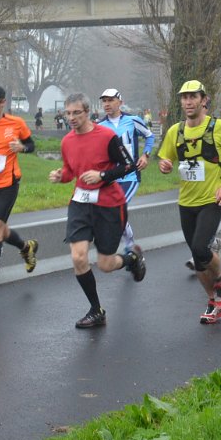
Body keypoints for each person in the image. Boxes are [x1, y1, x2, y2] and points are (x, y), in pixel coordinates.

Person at [49, 93, 146, 328]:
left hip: (109, 205)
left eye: (76, 113)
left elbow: (128, 165)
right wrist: (61, 176)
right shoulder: (67, 141)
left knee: (105, 264)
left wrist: (102, 175)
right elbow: (71, 171)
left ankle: (132, 258)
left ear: (88, 112)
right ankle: (96, 310)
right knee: (78, 256)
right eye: (68, 113)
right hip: (81, 204)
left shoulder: (106, 136)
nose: (71, 118)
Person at [157, 80, 221, 323]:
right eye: (184, 97)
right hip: (186, 201)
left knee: (200, 248)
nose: (188, 102)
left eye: (193, 97)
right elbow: (165, 161)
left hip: (212, 198)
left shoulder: (218, 127)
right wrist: (164, 166)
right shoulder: (175, 131)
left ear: (203, 100)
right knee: (199, 261)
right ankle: (213, 301)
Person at [0, 85, 39, 299]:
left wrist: (22, 148)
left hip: (8, 183)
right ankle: (26, 247)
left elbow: (31, 145)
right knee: (0, 229)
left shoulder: (16, 123)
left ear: (2, 103)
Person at [97, 88, 155, 255]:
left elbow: (149, 136)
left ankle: (129, 247)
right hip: (110, 178)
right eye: (104, 101)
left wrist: (145, 155)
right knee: (113, 211)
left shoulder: (133, 120)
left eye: (110, 100)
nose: (106, 104)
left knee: (117, 208)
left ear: (120, 102)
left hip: (130, 176)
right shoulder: (99, 126)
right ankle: (130, 246)